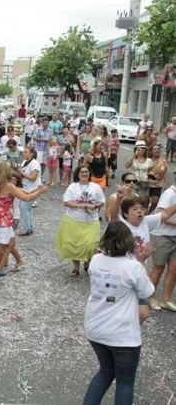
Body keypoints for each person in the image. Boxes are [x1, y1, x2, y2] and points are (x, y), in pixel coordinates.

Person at [82, 222, 154, 405]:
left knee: (105, 371)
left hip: (95, 328)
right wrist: (142, 260)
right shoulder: (133, 267)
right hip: (122, 334)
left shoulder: (96, 260)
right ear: (129, 242)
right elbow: (147, 292)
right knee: (125, 381)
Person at [0, 162, 48, 281]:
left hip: (1, 219)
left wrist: (37, 190)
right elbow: (26, 198)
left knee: (11, 243)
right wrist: (40, 192)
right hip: (3, 221)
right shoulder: (8, 186)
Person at [56, 165, 105, 276]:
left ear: (89, 173)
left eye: (86, 172)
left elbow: (102, 201)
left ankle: (87, 263)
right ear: (78, 174)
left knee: (91, 245)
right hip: (73, 220)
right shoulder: (73, 187)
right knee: (74, 245)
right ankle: (76, 268)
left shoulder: (96, 187)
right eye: (82, 172)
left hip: (91, 220)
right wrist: (81, 206)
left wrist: (96, 206)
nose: (84, 174)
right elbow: (66, 202)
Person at [148, 171, 176, 311]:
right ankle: (150, 297)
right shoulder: (170, 194)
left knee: (173, 269)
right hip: (163, 235)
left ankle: (166, 300)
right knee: (158, 268)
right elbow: (160, 215)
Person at [17, 146, 42, 235]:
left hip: (33, 188)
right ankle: (29, 227)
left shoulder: (35, 163)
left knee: (23, 208)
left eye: (26, 152)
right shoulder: (25, 162)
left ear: (31, 154)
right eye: (23, 152)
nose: (23, 153)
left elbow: (33, 178)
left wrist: (21, 172)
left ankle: (27, 228)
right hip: (26, 188)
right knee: (27, 209)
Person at [124, 140, 151, 208]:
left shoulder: (149, 160)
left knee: (142, 201)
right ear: (136, 149)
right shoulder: (133, 159)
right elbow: (126, 166)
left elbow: (150, 172)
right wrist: (134, 155)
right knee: (132, 201)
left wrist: (150, 179)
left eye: (143, 148)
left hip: (144, 183)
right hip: (133, 183)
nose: (142, 150)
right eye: (140, 148)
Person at [147, 143, 168, 214]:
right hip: (147, 183)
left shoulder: (163, 161)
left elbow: (165, 172)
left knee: (155, 202)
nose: (157, 150)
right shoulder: (148, 160)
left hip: (157, 184)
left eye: (158, 149)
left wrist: (166, 182)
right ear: (151, 151)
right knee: (144, 201)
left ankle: (148, 214)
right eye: (154, 149)